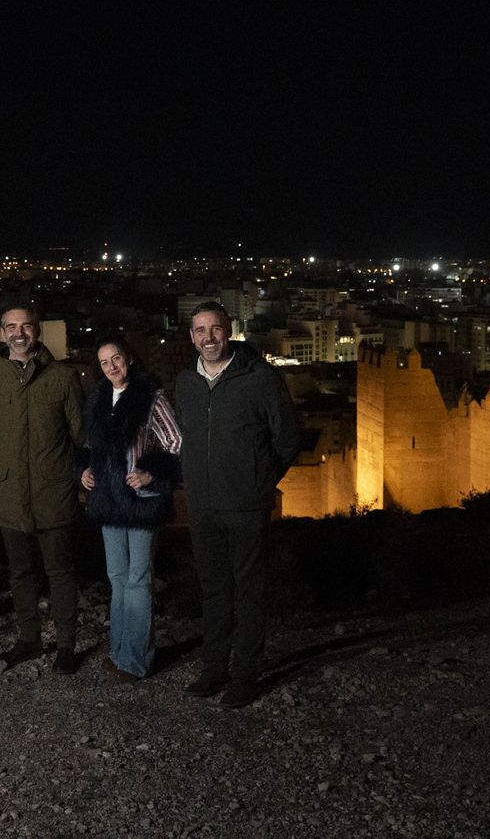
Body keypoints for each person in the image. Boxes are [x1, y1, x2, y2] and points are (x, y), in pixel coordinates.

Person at [171, 301, 301, 708]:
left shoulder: (260, 378)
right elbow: (184, 437)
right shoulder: (185, 383)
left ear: (229, 331)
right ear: (192, 337)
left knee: (250, 592)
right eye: (200, 330)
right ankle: (215, 669)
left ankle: (245, 675)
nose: (208, 337)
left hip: (246, 505)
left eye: (215, 329)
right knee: (214, 591)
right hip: (203, 505)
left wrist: (260, 480)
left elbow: (288, 437)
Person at [0, 305, 86, 673]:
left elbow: (77, 434)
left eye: (25, 326)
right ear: (1, 334)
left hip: (53, 493)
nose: (18, 332)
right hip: (10, 496)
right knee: (20, 572)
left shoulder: (62, 378)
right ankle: (29, 640)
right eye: (11, 327)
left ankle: (67, 644)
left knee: (60, 571)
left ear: (36, 331)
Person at [80, 336, 180, 681]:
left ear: (129, 359)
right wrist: (87, 471)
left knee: (138, 579)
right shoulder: (100, 400)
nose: (111, 367)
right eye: (105, 362)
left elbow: (175, 442)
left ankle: (136, 661)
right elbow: (92, 445)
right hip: (109, 501)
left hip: (140, 503)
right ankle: (120, 652)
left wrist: (150, 472)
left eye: (116, 359)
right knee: (118, 578)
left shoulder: (151, 399)